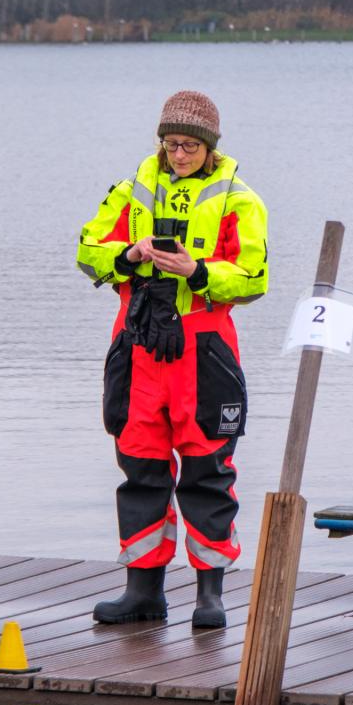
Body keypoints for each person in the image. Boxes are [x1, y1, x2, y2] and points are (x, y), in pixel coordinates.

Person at [76, 90, 269, 628]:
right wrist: (128, 255)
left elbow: (254, 278)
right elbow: (87, 251)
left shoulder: (240, 199)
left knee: (208, 471)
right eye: (171, 144)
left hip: (202, 350)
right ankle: (143, 592)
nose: (179, 154)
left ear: (209, 147)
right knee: (140, 467)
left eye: (189, 145)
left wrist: (197, 271)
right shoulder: (131, 189)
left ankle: (210, 595)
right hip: (138, 346)